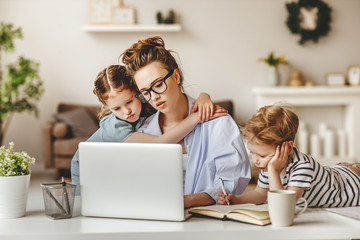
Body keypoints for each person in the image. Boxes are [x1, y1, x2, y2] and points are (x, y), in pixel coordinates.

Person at [121, 36, 251, 208]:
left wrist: (185, 202)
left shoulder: (218, 123)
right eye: (145, 92)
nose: (154, 97)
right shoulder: (145, 132)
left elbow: (232, 183)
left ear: (176, 76)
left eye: (158, 85)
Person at [71, 65, 227, 195]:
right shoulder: (115, 128)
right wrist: (196, 117)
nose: (127, 112)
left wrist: (203, 96)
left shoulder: (148, 102)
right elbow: (160, 142)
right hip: (86, 166)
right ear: (108, 108)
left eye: (129, 101)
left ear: (138, 93)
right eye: (117, 108)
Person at [218, 105, 360, 208]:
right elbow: (260, 193)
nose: (255, 160)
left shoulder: (302, 167)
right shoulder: (268, 165)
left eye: (262, 155)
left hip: (353, 182)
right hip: (338, 171)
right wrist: (237, 199)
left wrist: (273, 170)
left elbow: (284, 205)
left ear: (288, 147)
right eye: (252, 152)